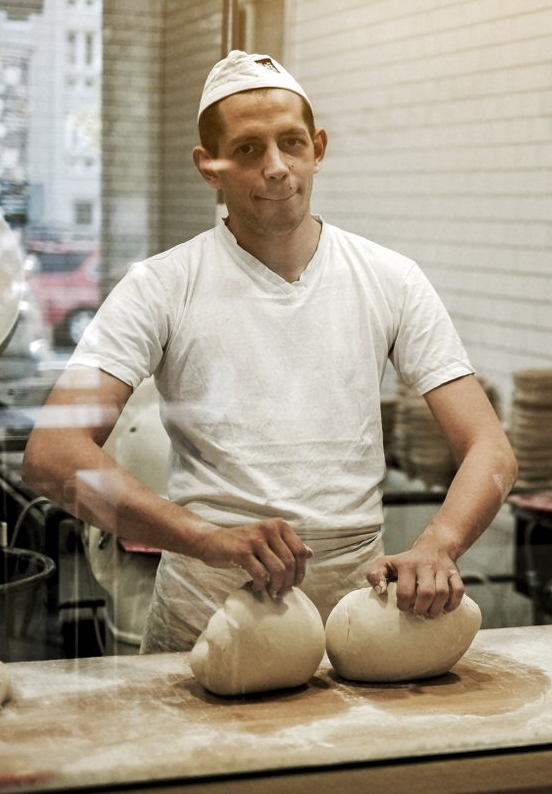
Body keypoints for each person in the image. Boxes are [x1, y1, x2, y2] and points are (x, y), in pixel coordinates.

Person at [22, 51, 518, 653]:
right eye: (250, 149)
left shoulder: (390, 278)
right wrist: (207, 538)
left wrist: (438, 542)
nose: (278, 168)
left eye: (292, 143)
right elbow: (52, 454)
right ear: (210, 166)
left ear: (319, 148)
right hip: (207, 616)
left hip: (359, 620)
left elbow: (490, 447)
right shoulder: (162, 284)